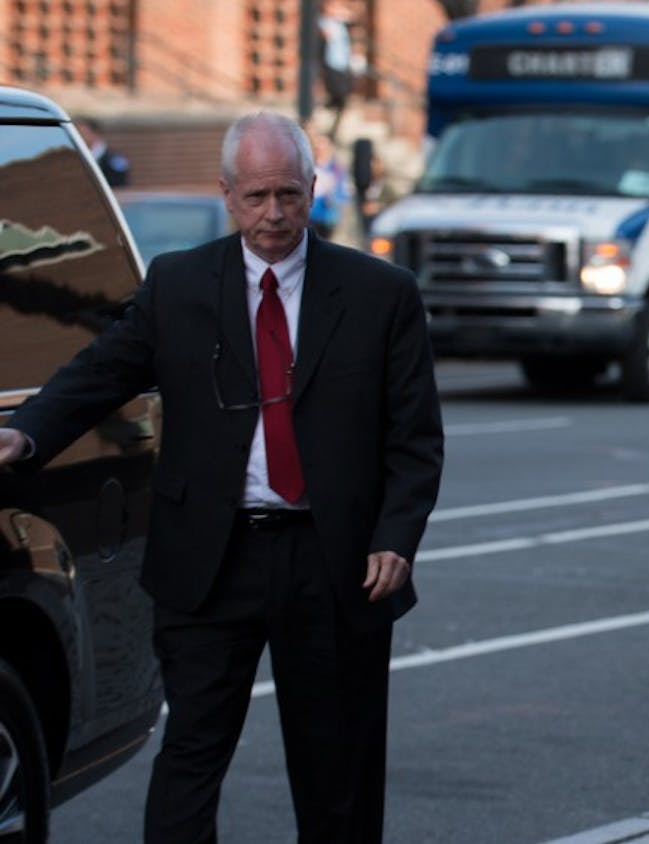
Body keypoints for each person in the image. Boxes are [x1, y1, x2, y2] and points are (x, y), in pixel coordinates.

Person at [0, 112, 444, 843]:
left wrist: (395, 538)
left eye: (289, 195)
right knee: (190, 762)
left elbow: (416, 438)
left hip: (334, 566)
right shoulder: (178, 285)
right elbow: (102, 369)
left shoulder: (380, 295)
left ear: (311, 190)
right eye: (258, 196)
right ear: (228, 194)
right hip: (211, 559)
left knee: (338, 774)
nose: (274, 214)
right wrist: (29, 430)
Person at [318, 0, 357, 139]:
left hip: (343, 64)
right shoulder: (324, 21)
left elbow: (353, 16)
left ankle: (333, 126)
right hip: (332, 63)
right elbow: (325, 34)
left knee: (343, 98)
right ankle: (325, 112)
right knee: (338, 93)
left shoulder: (340, 23)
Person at [77, 117, 130, 187]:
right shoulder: (77, 156)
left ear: (95, 134)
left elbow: (120, 184)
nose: (78, 137)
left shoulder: (113, 158)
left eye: (82, 133)